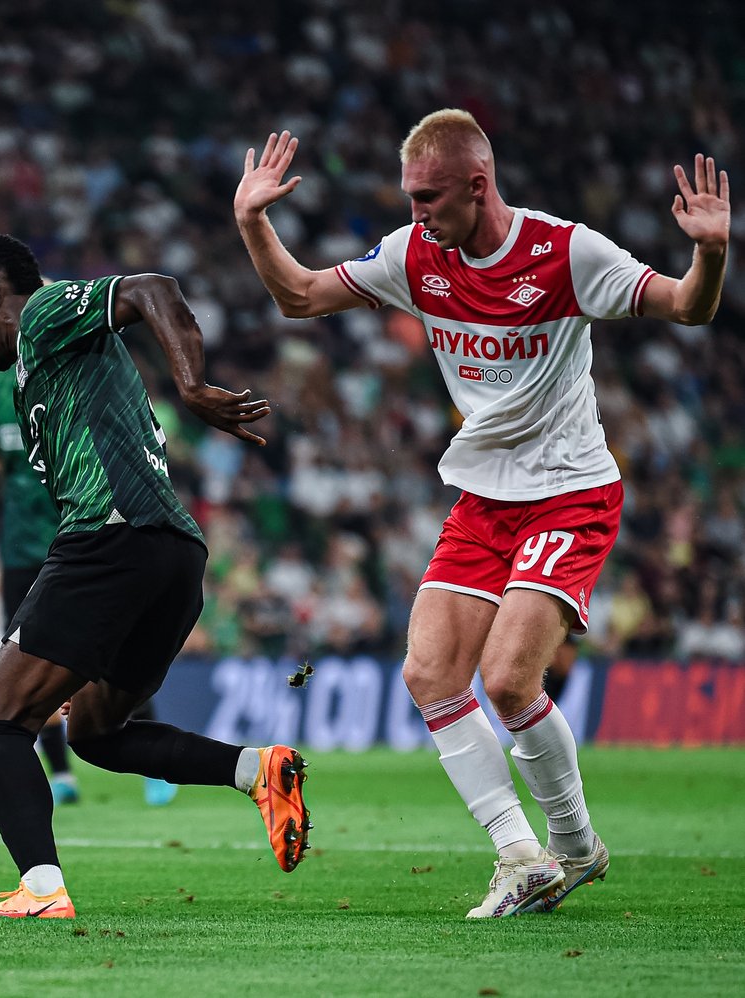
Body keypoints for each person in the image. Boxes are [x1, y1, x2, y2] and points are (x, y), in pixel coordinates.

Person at [233, 110, 729, 917]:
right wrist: (253, 221)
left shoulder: (567, 252)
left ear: (477, 185)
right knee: (429, 673)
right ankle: (521, 855)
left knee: (506, 680)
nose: (417, 212)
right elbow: (299, 295)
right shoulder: (414, 255)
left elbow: (687, 308)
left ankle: (575, 845)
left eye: (429, 197)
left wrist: (708, 254)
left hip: (569, 491)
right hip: (483, 499)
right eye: (410, 196)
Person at [0, 234, 309, 919]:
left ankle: (41, 891)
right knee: (96, 732)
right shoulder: (34, 372)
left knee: (4, 719)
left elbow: (152, 288)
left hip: (111, 536)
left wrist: (191, 386)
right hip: (173, 554)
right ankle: (255, 769)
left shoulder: (44, 312)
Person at [0, 365, 178, 807]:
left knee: (114, 654)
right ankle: (61, 773)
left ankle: (152, 765)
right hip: (22, 549)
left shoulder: (70, 364)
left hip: (85, 539)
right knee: (24, 659)